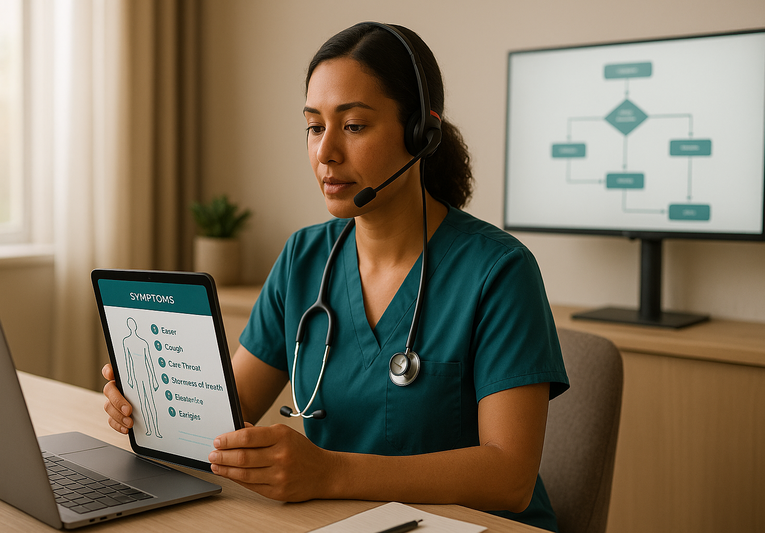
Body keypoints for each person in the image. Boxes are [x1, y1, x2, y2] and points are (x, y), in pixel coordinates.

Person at [102, 22, 569, 531]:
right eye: (314, 125)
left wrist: (329, 473)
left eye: (353, 126)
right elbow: (226, 417)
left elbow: (510, 477)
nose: (325, 152)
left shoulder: (498, 271)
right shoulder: (305, 256)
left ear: (419, 133)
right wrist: (157, 404)